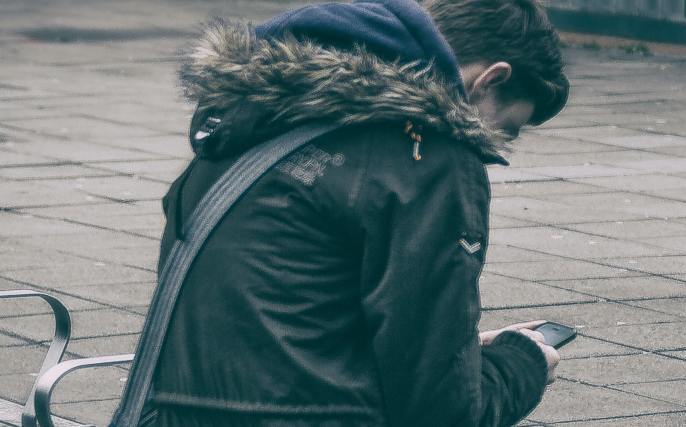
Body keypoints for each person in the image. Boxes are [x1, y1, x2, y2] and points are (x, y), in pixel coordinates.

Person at [116, 0, 570, 425]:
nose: (496, 146)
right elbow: (440, 410)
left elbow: (287, 303)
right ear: (489, 79)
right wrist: (520, 364)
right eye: (505, 129)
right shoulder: (425, 158)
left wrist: (459, 352)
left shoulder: (257, 116)